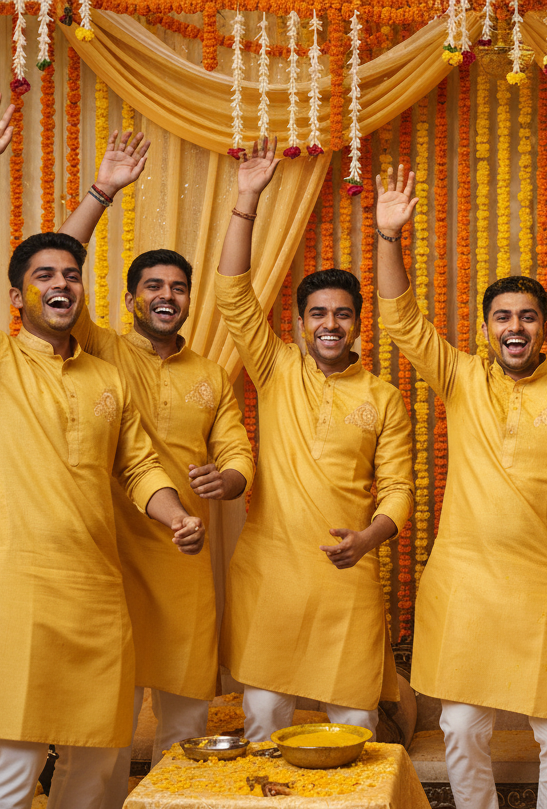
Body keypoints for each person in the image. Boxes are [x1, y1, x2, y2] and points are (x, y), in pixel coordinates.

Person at [0, 94, 205, 809]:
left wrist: (176, 516)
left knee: (102, 756)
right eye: (44, 276)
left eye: (72, 276)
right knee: (16, 762)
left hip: (96, 596)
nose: (61, 283)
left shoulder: (108, 375)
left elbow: (141, 465)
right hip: (14, 593)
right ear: (17, 298)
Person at [374, 165, 547, 809]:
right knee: (464, 729)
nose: (515, 327)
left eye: (528, 316)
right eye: (503, 317)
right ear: (488, 328)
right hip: (466, 591)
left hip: (546, 596)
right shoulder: (463, 377)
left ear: (546, 329)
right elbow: (402, 320)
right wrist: (388, 235)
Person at [55, 136, 256, 809]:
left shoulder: (209, 374)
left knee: (184, 735)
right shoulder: (99, 346)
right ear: (131, 297)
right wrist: (102, 193)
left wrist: (227, 480)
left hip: (183, 565)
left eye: (177, 289)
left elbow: (236, 449)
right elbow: (57, 275)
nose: (167, 297)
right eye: (155, 287)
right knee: (100, 741)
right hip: (107, 564)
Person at [215, 139, 414, 742]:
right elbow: (231, 294)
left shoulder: (382, 396)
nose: (331, 324)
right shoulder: (276, 368)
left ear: (358, 321)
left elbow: (400, 488)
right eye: (319, 314)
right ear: (300, 323)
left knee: (353, 728)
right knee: (265, 724)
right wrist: (247, 198)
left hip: (346, 577)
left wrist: (369, 539)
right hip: (270, 578)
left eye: (344, 314)